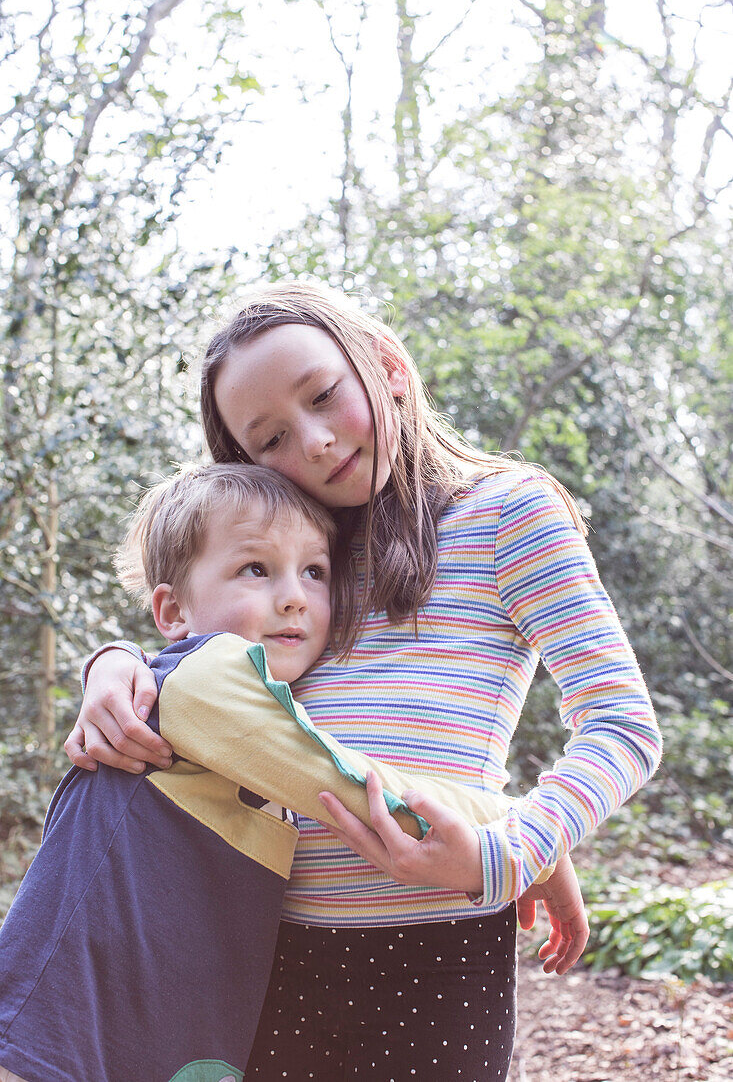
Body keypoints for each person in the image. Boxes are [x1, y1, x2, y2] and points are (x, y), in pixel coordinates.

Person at [66, 282, 662, 1081]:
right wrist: (116, 664)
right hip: (261, 943)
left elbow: (621, 724)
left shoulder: (505, 514)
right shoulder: (299, 562)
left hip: (434, 951)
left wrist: (517, 851)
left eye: (323, 396)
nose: (310, 442)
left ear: (383, 366)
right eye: (269, 437)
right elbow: (210, 663)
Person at [0, 462, 580, 1082]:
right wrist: (533, 841)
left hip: (126, 1019)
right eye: (256, 569)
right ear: (171, 610)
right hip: (60, 1019)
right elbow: (361, 789)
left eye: (315, 572)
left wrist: (112, 659)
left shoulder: (189, 690)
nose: (294, 595)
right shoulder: (210, 679)